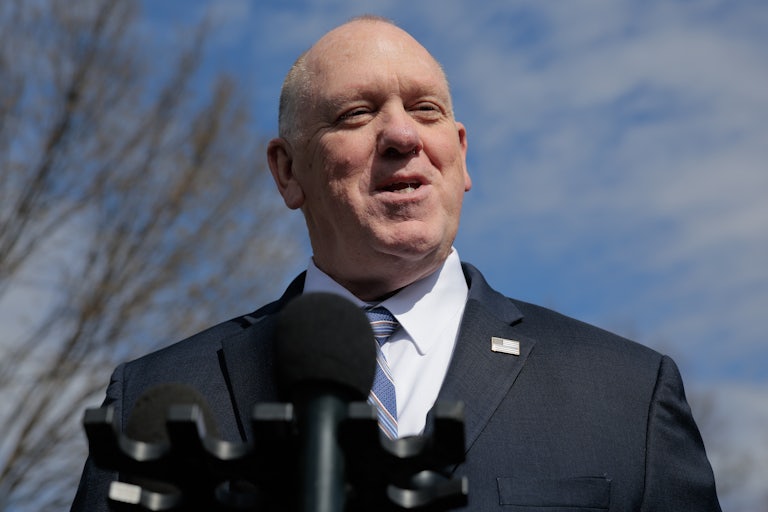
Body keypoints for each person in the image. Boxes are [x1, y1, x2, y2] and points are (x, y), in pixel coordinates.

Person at [72, 16, 721, 511]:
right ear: (287, 171)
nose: (403, 135)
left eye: (426, 110)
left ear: (460, 155)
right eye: (356, 114)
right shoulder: (154, 401)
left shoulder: (627, 398)